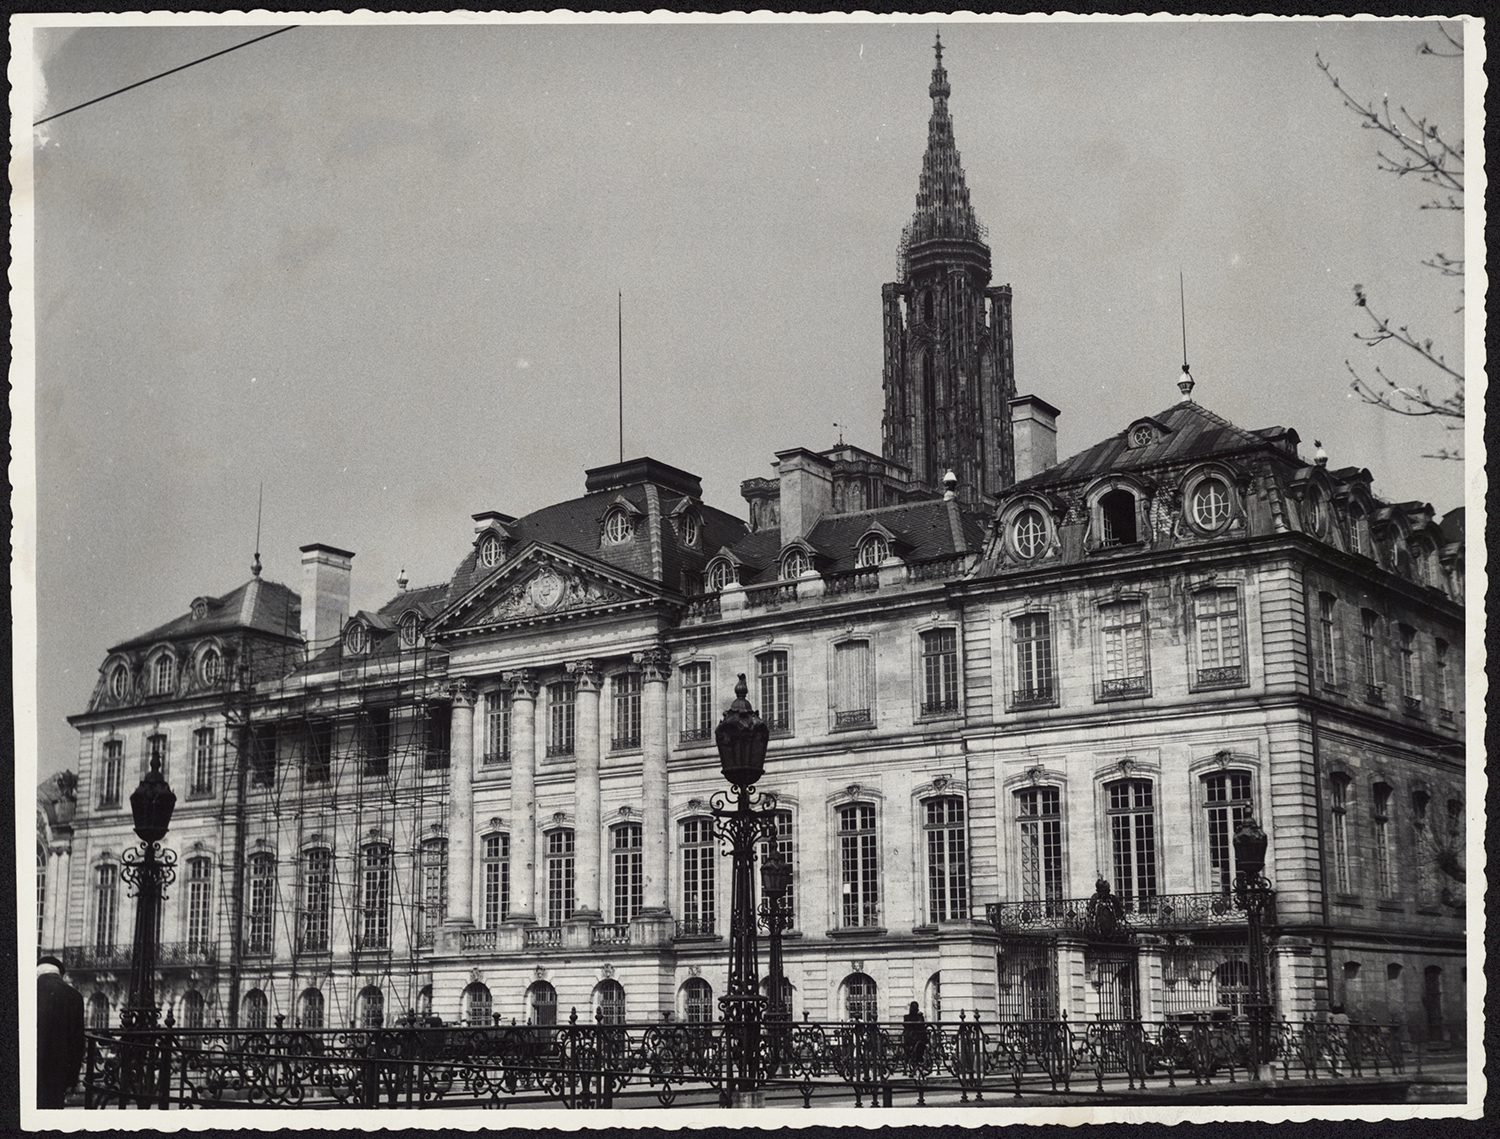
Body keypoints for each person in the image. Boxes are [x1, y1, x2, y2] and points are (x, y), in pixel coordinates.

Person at [37, 956, 86, 1108]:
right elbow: (78, 1042)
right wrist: (73, 1078)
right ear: (60, 974)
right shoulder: (74, 996)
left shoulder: (25, 991)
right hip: (58, 1074)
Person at [902, 1001, 927, 1066]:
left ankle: (910, 1062)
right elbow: (922, 1027)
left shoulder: (906, 1017)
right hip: (918, 1040)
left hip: (909, 1039)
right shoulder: (919, 1017)